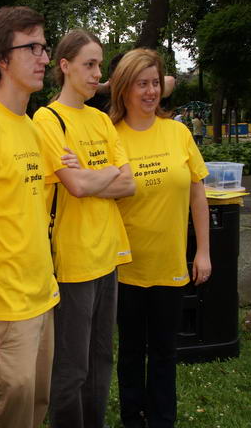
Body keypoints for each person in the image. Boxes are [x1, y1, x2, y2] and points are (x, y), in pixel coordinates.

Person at [0, 6, 79, 428]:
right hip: (4, 309)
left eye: (44, 48)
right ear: (2, 59)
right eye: (32, 48)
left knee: (35, 408)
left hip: (42, 297)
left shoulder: (33, 128)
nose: (45, 58)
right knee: (9, 414)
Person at [33, 29, 135, 428]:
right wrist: (107, 172)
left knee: (101, 359)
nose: (97, 74)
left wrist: (94, 174)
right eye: (89, 64)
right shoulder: (48, 119)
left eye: (99, 65)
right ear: (65, 66)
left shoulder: (101, 119)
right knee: (72, 365)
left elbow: (129, 184)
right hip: (73, 260)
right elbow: (74, 186)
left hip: (108, 254)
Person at [108, 48, 212, 428]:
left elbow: (197, 193)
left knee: (166, 351)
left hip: (170, 264)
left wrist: (203, 251)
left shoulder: (178, 132)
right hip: (125, 267)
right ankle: (132, 418)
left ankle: (163, 419)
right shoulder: (110, 136)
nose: (150, 91)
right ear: (124, 89)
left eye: (155, 83)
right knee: (131, 351)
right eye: (141, 84)